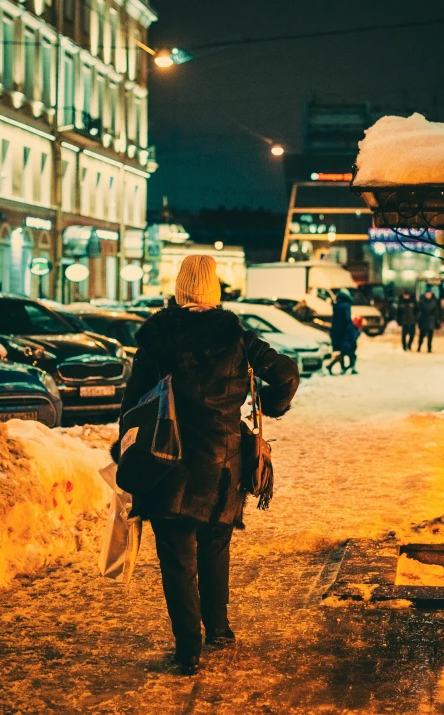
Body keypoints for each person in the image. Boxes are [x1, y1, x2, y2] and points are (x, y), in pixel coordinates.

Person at [114, 255, 300, 676]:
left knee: (179, 560)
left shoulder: (159, 338)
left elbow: (130, 409)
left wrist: (123, 456)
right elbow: (287, 375)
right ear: (214, 290)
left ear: (180, 290)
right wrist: (268, 405)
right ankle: (219, 628)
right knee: (216, 545)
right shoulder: (237, 338)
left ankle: (188, 650)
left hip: (168, 468)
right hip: (225, 466)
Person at [326, 289, 360, 375]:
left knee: (342, 351)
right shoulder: (346, 306)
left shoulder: (336, 306)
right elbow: (347, 319)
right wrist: (352, 329)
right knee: (349, 351)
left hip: (336, 333)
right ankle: (346, 367)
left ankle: (343, 367)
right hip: (346, 333)